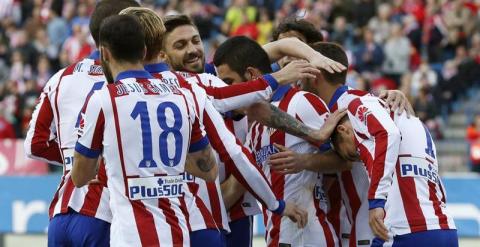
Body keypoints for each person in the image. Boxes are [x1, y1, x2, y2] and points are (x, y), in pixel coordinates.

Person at [120, 8, 311, 246]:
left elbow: (257, 101)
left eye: (196, 40)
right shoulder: (199, 85)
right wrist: (279, 77)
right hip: (195, 212)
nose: (192, 50)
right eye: (180, 45)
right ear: (162, 54)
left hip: (220, 212)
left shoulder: (211, 74)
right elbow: (235, 144)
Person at [71, 15, 217, 246]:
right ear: (145, 51)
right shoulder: (182, 96)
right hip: (178, 233)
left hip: (131, 237)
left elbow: (80, 177)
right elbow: (209, 171)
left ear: (104, 54)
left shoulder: (103, 99)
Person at [268, 42, 414, 247]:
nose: (297, 79)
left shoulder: (354, 105)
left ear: (314, 75)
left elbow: (356, 153)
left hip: (370, 222)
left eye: (303, 69)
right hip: (342, 221)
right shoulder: (339, 106)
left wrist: (303, 161)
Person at [24, 1, 140, 246]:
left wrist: (76, 159)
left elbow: (34, 144)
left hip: (60, 215)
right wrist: (91, 163)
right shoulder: (135, 83)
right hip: (104, 214)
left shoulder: (61, 77)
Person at [215, 36, 346, 247]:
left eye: (229, 83)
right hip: (276, 236)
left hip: (308, 237)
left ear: (251, 75)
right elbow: (236, 186)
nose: (227, 92)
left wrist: (304, 162)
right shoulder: (255, 126)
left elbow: (346, 159)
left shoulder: (302, 102)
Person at [330, 86, 457, 247]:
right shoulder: (418, 124)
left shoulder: (358, 106)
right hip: (446, 229)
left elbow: (388, 134)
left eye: (350, 153)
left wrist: (376, 202)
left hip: (406, 231)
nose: (357, 155)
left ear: (343, 131)